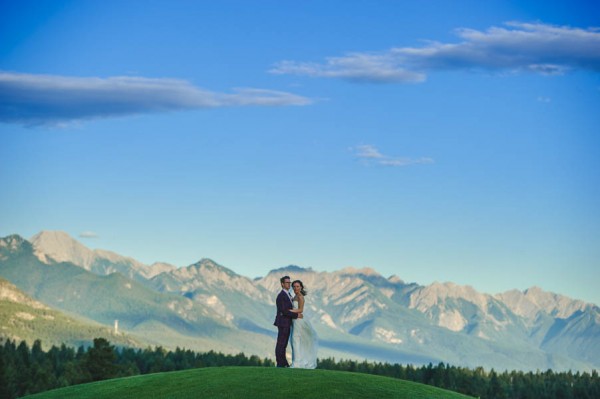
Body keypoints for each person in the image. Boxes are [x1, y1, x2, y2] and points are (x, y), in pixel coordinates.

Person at [288, 279, 318, 369]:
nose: (295, 288)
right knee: (294, 340)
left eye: (297, 286)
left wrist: (289, 311)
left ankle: (297, 363)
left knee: (295, 339)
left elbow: (301, 310)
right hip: (294, 320)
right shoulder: (295, 296)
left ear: (301, 287)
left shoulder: (300, 296)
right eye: (294, 287)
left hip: (298, 320)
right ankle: (297, 361)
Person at [274, 275, 302, 367]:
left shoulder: (288, 294)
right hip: (283, 322)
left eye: (289, 282)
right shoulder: (281, 296)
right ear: (282, 284)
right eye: (287, 282)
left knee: (284, 344)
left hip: (286, 322)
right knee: (281, 343)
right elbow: (284, 310)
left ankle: (283, 362)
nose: (289, 284)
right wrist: (296, 315)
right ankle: (280, 363)